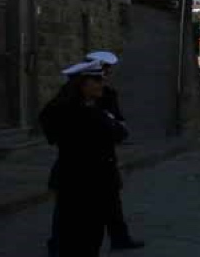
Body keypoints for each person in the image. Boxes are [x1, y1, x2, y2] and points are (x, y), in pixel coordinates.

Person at [40, 60, 128, 256]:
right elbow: (119, 132)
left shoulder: (88, 109)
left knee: (89, 237)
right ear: (82, 84)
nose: (101, 84)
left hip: (93, 182)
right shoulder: (82, 113)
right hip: (81, 183)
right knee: (78, 237)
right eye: (95, 80)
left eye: (101, 80)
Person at [85, 50, 145, 250]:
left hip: (104, 156)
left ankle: (120, 237)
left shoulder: (108, 94)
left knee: (111, 201)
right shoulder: (72, 99)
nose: (104, 77)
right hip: (83, 159)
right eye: (102, 72)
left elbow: (118, 124)